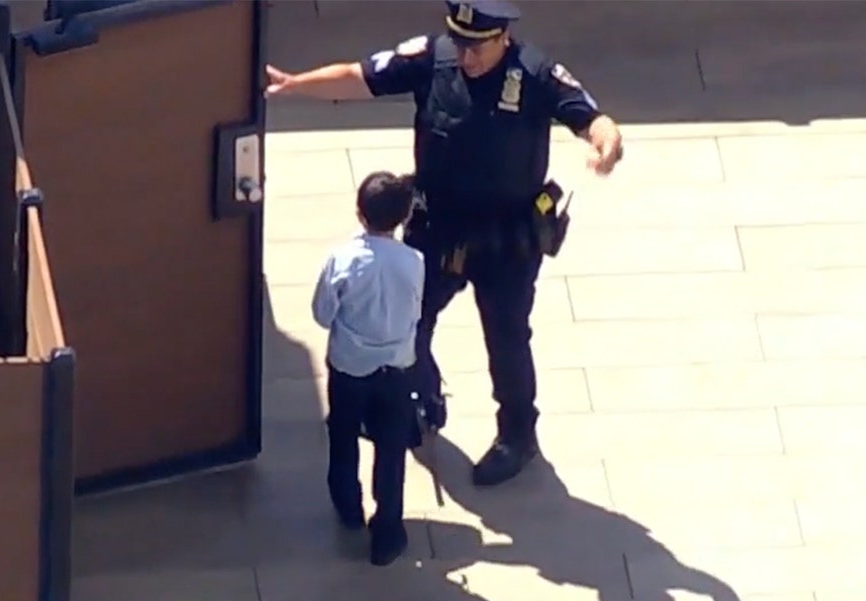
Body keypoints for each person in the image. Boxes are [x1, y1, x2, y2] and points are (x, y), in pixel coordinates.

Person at [267, 0, 623, 488]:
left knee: (508, 339)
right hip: (438, 229)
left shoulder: (535, 74)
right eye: (460, 43)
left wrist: (607, 143)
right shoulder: (431, 59)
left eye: (477, 47)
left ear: (504, 38)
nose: (466, 56)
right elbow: (359, 76)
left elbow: (590, 116)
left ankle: (518, 436)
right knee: (412, 323)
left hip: (506, 237)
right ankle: (423, 400)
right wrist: (296, 85)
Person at [312, 171, 425, 567]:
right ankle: (388, 532)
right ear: (404, 215)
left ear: (359, 213)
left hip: (349, 367)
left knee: (343, 435)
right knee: (392, 450)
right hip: (395, 369)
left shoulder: (342, 261)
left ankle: (347, 506)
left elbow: (322, 316)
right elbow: (415, 311)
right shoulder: (414, 261)